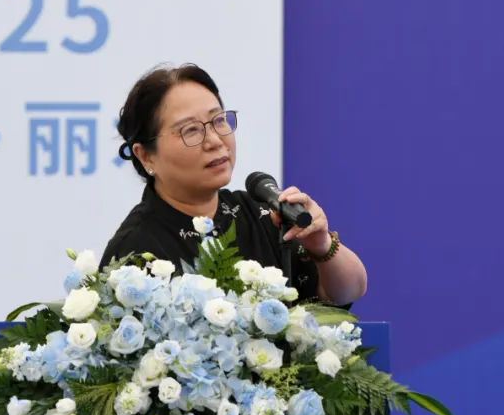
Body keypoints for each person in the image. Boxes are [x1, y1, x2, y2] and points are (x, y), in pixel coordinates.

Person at [101, 63, 367, 306]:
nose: (215, 141)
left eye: (218, 120)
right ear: (146, 156)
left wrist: (321, 245)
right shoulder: (133, 252)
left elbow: (347, 291)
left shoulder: (263, 214)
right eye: (191, 130)